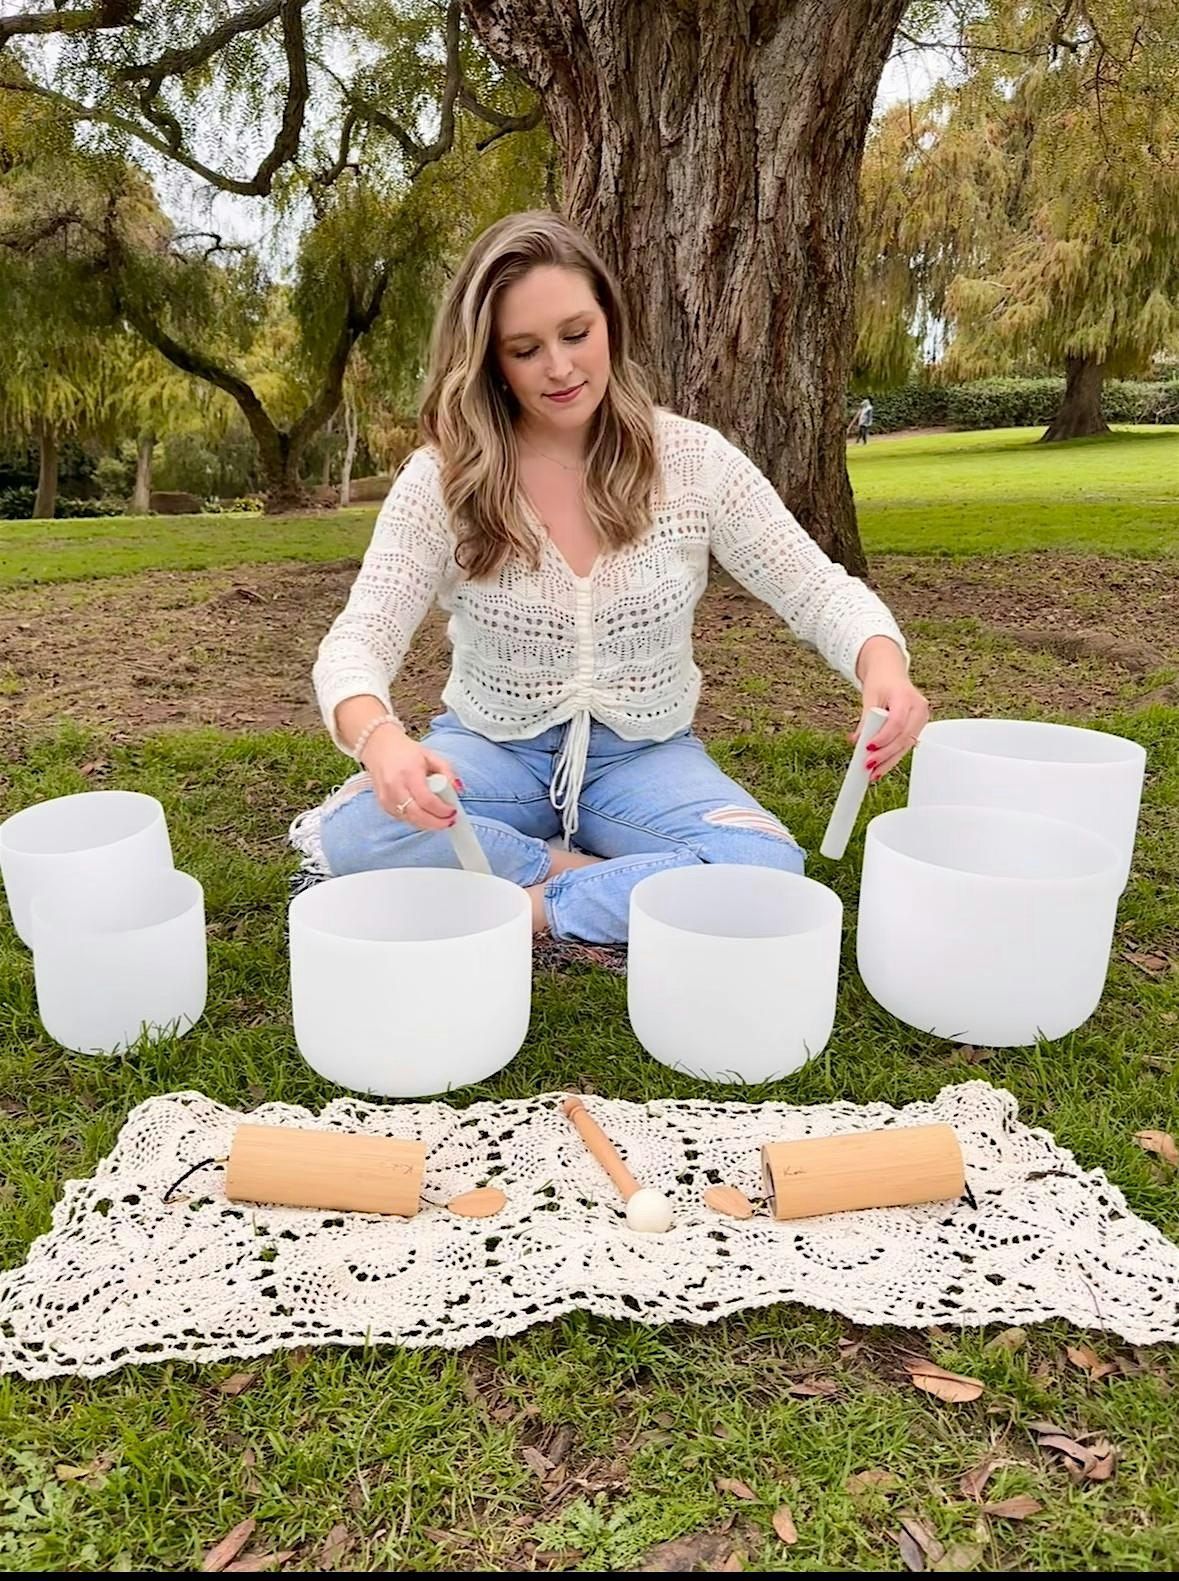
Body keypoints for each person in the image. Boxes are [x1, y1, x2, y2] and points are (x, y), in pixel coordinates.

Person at [308, 212, 928, 945]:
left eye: (576, 334)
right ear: (489, 362)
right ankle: (601, 876)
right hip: (489, 753)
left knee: (762, 865)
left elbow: (816, 587)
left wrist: (882, 663)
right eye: (525, 349)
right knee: (357, 832)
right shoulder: (444, 479)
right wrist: (378, 738)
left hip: (644, 758)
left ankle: (531, 903)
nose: (560, 368)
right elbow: (360, 636)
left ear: (610, 320)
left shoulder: (693, 462)